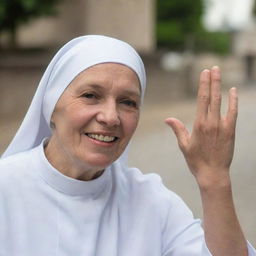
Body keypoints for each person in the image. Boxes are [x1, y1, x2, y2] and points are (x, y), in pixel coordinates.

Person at [0, 35, 255, 256]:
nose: (110, 117)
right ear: (51, 106)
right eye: (91, 96)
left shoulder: (151, 202)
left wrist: (215, 179)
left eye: (128, 102)